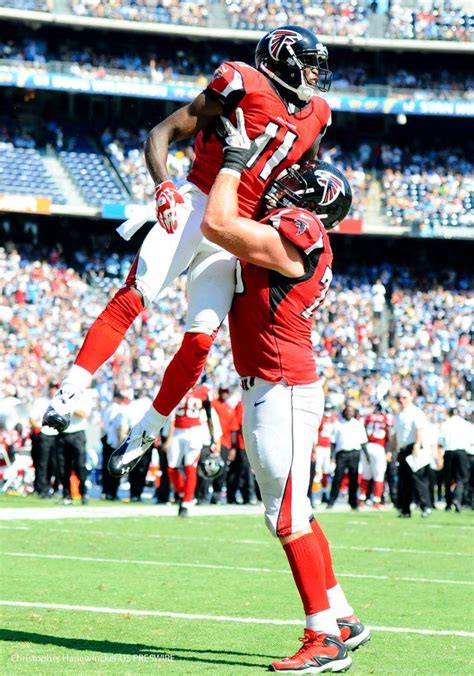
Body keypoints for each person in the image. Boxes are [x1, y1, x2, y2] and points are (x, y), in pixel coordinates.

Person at [43, 25, 334, 475]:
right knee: (137, 291)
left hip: (237, 231)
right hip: (197, 201)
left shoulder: (318, 114)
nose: (316, 75)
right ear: (282, 62)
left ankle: (146, 431)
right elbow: (162, 132)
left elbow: (303, 175)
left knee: (200, 341)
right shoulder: (242, 81)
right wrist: (163, 186)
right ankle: (69, 390)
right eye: (309, 65)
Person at [200, 117, 368, 671]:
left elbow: (219, 223)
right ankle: (340, 613)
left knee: (290, 517)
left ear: (310, 209)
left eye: (297, 185)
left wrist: (232, 161)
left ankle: (323, 638)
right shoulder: (300, 230)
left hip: (283, 386)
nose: (284, 184)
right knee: (289, 511)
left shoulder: (301, 230)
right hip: (274, 384)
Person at [166, 382, 215, 517]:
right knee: (171, 467)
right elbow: (170, 415)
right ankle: (184, 493)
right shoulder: (176, 387)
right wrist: (168, 436)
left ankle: (186, 502)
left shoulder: (204, 391)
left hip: (194, 431)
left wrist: (212, 437)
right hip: (177, 431)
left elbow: (209, 415)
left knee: (190, 467)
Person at [393, 388, 432, 518]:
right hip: (402, 449)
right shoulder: (399, 415)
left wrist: (417, 444)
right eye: (399, 398)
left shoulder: (415, 412)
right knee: (404, 480)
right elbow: (397, 434)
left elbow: (419, 429)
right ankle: (405, 509)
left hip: (413, 448)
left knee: (417, 479)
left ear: (410, 397)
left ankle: (425, 506)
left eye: (404, 397)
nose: (401, 400)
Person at [327, 405, 368, 511]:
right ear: (344, 412)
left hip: (354, 453)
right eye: (347, 411)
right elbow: (333, 442)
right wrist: (332, 456)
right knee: (337, 478)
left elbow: (363, 442)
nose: (349, 413)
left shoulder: (358, 425)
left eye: (351, 411)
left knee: (353, 478)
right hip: (342, 454)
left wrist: (367, 456)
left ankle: (353, 502)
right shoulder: (337, 424)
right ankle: (332, 501)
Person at [58, 388, 94, 505]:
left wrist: (70, 406)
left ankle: (83, 493)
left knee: (79, 465)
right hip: (63, 433)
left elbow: (84, 414)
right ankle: (66, 495)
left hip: (78, 433)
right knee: (63, 467)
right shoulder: (62, 392)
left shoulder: (84, 395)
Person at [29, 382, 61, 498]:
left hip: (57, 435)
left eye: (56, 388)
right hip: (45, 434)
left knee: (54, 464)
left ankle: (52, 487)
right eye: (53, 388)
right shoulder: (41, 401)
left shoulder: (61, 403)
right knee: (42, 463)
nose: (54, 390)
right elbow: (32, 418)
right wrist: (39, 428)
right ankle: (42, 488)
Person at [439, 407, 472, 512]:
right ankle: (457, 499)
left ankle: (448, 503)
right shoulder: (466, 425)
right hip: (462, 452)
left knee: (448, 479)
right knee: (461, 478)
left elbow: (441, 441)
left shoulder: (445, 424)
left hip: (449, 452)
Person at [359, 402, 392, 508]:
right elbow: (390, 436)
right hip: (379, 447)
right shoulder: (386, 418)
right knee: (379, 476)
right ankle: (376, 501)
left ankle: (361, 500)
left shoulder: (368, 417)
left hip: (367, 446)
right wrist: (389, 450)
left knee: (366, 475)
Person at [210, 386, 238, 503]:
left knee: (221, 471)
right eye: (223, 392)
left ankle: (216, 495)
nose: (224, 394)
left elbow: (234, 430)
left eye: (226, 392)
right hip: (212, 442)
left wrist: (233, 448)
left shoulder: (229, 409)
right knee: (209, 468)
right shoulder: (213, 404)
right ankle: (200, 495)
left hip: (225, 444)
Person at [101, 390, 129, 500]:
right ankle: (112, 492)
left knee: (105, 468)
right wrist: (121, 444)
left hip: (107, 440)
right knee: (115, 469)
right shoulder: (118, 410)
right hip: (115, 442)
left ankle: (106, 491)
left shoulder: (108, 409)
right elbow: (120, 428)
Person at [312, 402, 337, 505]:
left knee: (326, 472)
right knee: (317, 473)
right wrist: (314, 447)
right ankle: (315, 495)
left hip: (328, 448)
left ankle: (324, 494)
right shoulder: (320, 419)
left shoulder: (333, 420)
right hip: (320, 447)